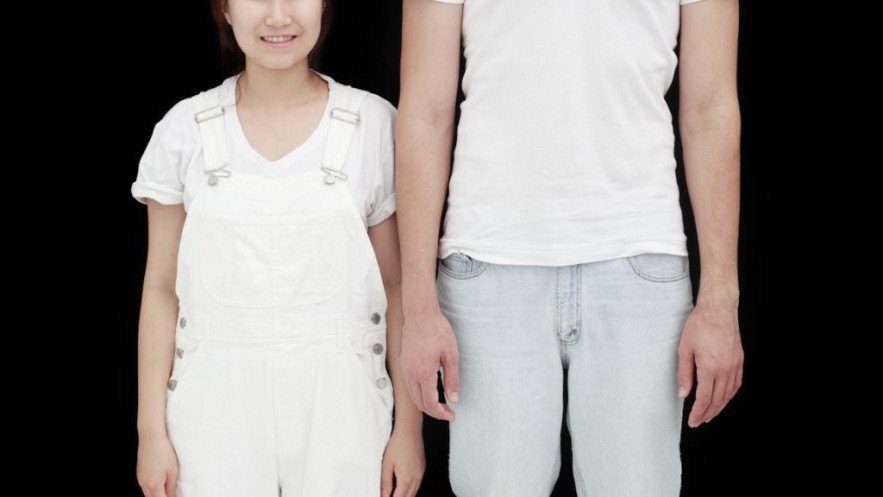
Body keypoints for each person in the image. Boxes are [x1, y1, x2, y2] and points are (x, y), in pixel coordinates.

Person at [396, 0, 743, 495]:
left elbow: (711, 110)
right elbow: (424, 112)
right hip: (490, 263)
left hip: (639, 262)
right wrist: (418, 307)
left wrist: (721, 303)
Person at [131, 1, 424, 496]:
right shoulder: (185, 130)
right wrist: (150, 433)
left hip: (344, 411)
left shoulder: (372, 125)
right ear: (225, 10)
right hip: (213, 412)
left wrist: (409, 431)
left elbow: (397, 287)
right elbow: (161, 289)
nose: (278, 16)